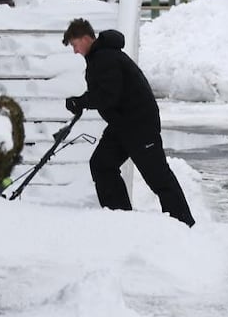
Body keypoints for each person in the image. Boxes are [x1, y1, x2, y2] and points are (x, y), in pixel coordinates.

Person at [62, 18, 195, 227]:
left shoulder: (105, 58)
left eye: (75, 45)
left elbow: (108, 96)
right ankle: (120, 219)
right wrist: (82, 101)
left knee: (158, 177)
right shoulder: (101, 57)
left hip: (139, 125)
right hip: (122, 125)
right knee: (101, 164)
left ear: (86, 38)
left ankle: (184, 224)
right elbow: (105, 92)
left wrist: (82, 101)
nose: (75, 51)